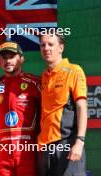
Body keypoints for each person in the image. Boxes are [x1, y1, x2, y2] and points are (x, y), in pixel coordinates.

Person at [0, 41, 41, 176]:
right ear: (0, 61)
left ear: (21, 59)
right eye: (4, 57)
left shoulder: (35, 83)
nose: (8, 61)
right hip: (5, 154)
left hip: (29, 152)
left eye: (12, 56)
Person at [38, 32, 87, 176]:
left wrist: (79, 141)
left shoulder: (74, 70)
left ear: (61, 47)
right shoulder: (44, 76)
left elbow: (82, 107)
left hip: (67, 143)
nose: (46, 48)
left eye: (51, 44)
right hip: (45, 148)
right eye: (43, 45)